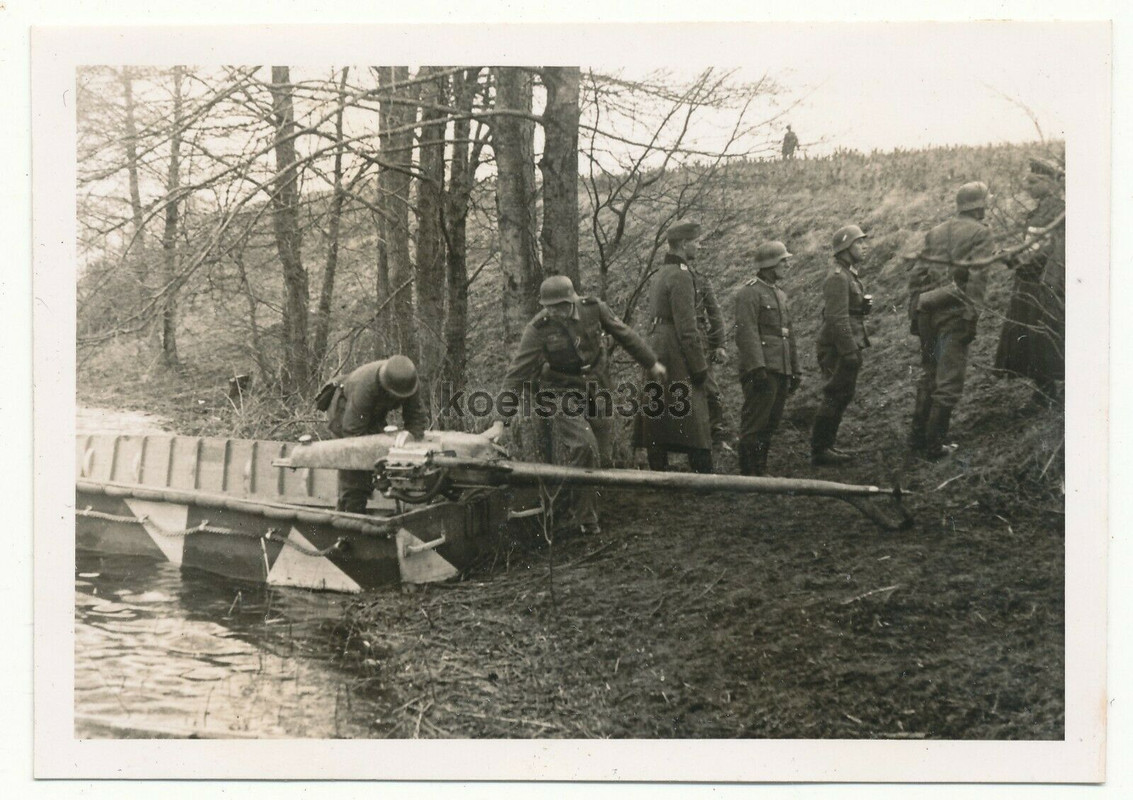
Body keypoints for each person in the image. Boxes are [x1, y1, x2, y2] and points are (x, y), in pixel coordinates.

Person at [504, 275, 665, 535]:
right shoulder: (539, 328)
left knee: (602, 451)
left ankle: (591, 506)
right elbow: (517, 372)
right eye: (549, 307)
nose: (554, 312)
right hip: (560, 389)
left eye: (559, 307)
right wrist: (502, 418)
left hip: (596, 383)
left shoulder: (593, 308)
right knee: (584, 444)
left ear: (572, 302)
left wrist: (651, 362)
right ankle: (584, 519)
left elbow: (624, 334)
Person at [907, 181, 1001, 460]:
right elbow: (978, 277)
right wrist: (972, 315)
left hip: (926, 312)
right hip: (954, 315)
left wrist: (916, 310)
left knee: (929, 373)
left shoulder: (935, 231)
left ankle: (916, 438)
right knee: (949, 380)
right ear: (980, 206)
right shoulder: (982, 233)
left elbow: (916, 275)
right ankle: (934, 446)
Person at [633, 219, 715, 474]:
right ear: (682, 244)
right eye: (696, 242)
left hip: (657, 344)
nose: (699, 247)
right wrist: (699, 366)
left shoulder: (660, 273)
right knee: (692, 408)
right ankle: (703, 470)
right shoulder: (681, 276)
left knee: (658, 405)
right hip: (675, 346)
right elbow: (688, 329)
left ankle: (658, 466)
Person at [993, 156, 1065, 409]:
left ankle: (1052, 391)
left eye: (1033, 182)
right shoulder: (1038, 211)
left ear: (1049, 183)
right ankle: (1044, 390)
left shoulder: (1059, 212)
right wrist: (1012, 256)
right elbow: (1032, 246)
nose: (1027, 187)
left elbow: (1052, 252)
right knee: (1033, 337)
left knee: (1049, 335)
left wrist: (1018, 261)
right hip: (1029, 282)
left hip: (1046, 284)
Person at [733, 241, 802, 476]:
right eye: (783, 261)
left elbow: (788, 334)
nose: (787, 265)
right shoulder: (749, 293)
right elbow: (747, 332)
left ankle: (759, 471)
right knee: (756, 422)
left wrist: (795, 368)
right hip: (762, 369)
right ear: (771, 264)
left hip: (779, 367)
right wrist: (757, 367)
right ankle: (749, 474)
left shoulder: (780, 295)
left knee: (771, 422)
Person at [327, 355, 428, 513]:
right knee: (354, 470)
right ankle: (351, 513)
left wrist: (410, 443)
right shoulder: (365, 386)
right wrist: (373, 467)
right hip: (345, 412)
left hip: (373, 415)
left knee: (388, 454)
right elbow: (353, 434)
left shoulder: (409, 383)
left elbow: (416, 418)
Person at [811, 224, 872, 466]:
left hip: (846, 343)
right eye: (859, 243)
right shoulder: (838, 277)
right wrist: (849, 351)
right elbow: (836, 318)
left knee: (842, 394)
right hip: (838, 346)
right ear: (846, 248)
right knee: (835, 394)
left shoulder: (847, 274)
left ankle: (827, 445)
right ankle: (821, 449)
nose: (864, 247)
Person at [690, 251, 732, 449]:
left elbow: (714, 312)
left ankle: (716, 432)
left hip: (699, 342)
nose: (700, 247)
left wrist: (719, 344)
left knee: (710, 389)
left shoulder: (700, 280)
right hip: (678, 342)